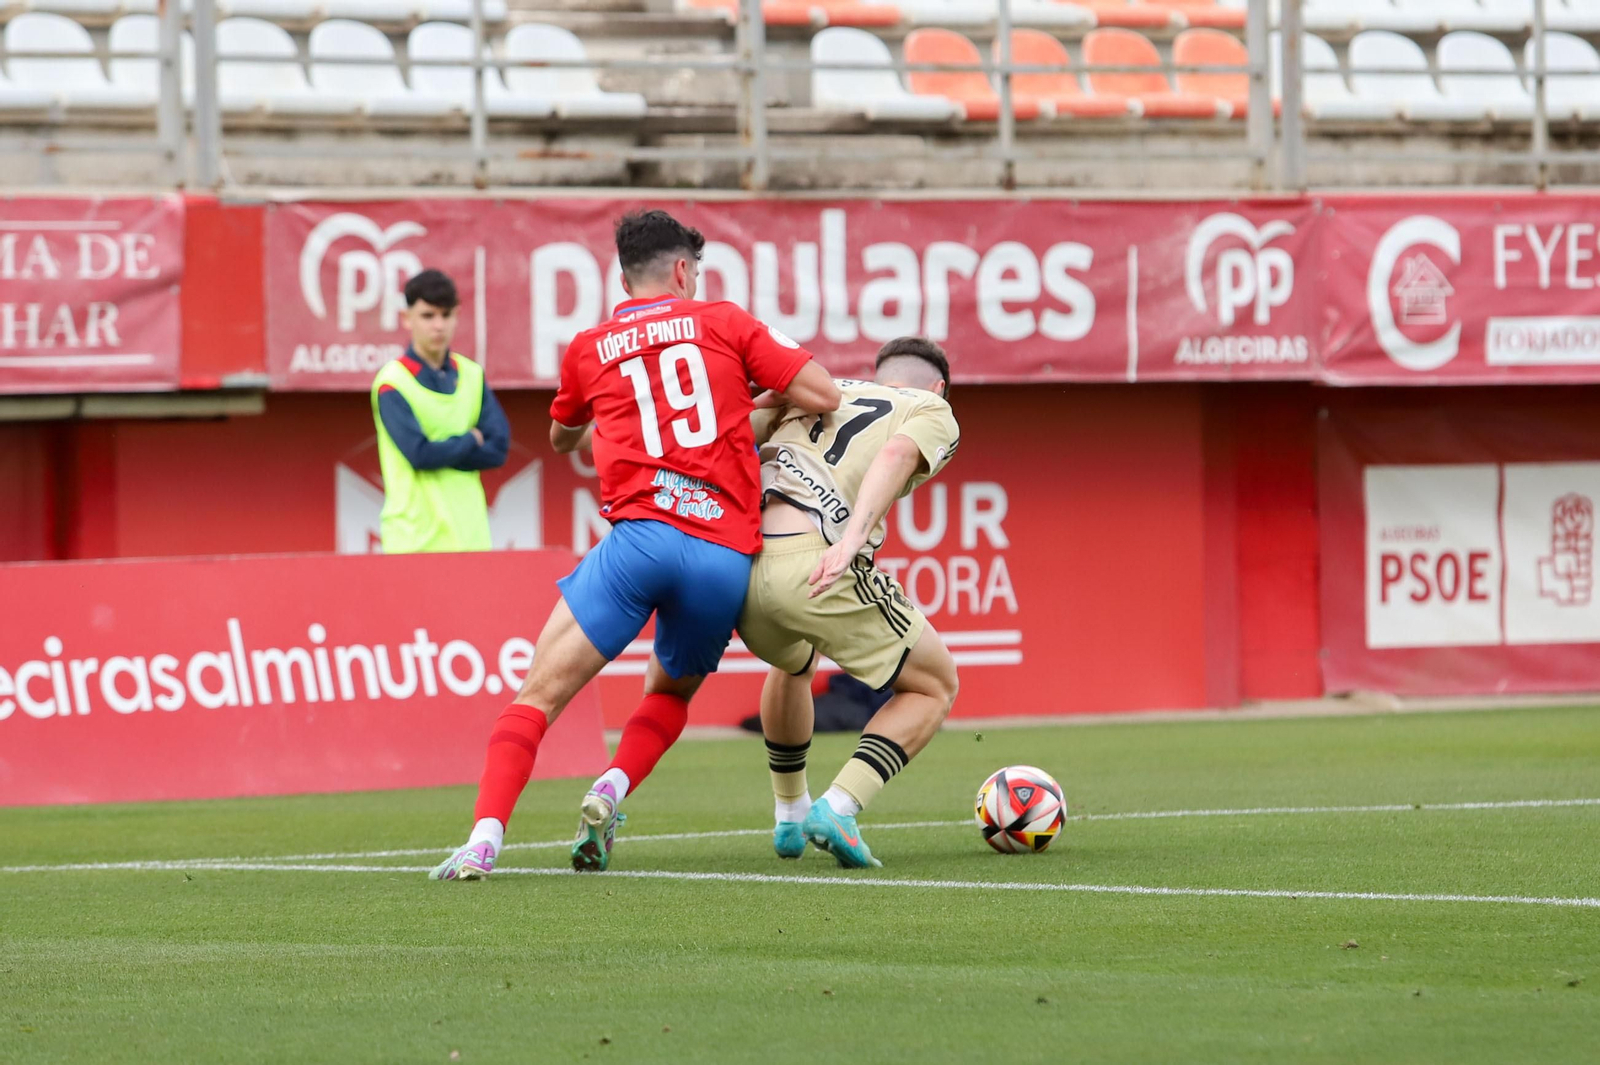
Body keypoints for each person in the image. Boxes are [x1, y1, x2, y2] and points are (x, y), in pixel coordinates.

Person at [430, 210, 841, 881]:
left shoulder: (590, 347)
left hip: (641, 543)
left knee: (538, 695)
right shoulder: (725, 323)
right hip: (721, 559)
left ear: (624, 276)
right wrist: (740, 392)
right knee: (670, 694)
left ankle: (483, 839)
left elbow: (563, 435)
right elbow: (821, 393)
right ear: (684, 272)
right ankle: (612, 788)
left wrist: (594, 430)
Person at [739, 336, 961, 869]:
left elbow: (724, 440)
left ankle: (789, 815)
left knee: (794, 661)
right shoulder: (933, 409)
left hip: (742, 573)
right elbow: (897, 452)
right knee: (934, 685)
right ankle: (838, 806)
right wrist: (851, 540)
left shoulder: (817, 391)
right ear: (939, 387)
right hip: (813, 560)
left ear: (877, 374)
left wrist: (757, 400)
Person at [370, 269, 509, 554]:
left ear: (457, 315)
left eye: (446, 316)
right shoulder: (392, 382)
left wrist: (441, 450)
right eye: (428, 315)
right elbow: (420, 455)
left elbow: (498, 450)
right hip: (413, 541)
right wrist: (470, 439)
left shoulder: (472, 375)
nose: (438, 326)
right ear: (406, 318)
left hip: (471, 537)